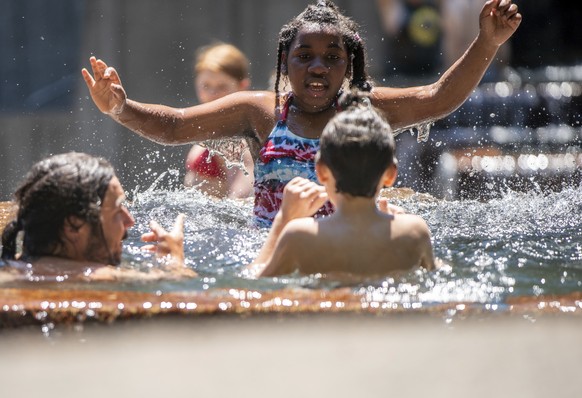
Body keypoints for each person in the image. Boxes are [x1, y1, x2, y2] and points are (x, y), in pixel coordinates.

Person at [82, 0, 522, 225]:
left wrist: (488, 42)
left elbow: (437, 99)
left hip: (347, 246)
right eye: (304, 55)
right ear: (284, 62)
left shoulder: (364, 109)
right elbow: (176, 125)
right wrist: (120, 106)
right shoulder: (260, 112)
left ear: (349, 66)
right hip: (273, 244)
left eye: (332, 57)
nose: (317, 66)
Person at [248, 91, 436, 277]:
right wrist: (395, 224)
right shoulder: (414, 232)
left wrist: (283, 219)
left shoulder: (300, 235)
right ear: (390, 174)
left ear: (320, 172)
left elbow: (254, 281)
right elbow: (436, 270)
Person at [0, 152, 194, 281]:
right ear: (74, 224)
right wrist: (175, 261)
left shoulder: (13, 268)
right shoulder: (100, 276)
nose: (130, 221)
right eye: (118, 209)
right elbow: (182, 289)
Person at [184, 42, 255, 198]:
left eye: (222, 86)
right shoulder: (212, 129)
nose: (212, 94)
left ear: (242, 86)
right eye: (206, 86)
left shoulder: (238, 136)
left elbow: (240, 200)